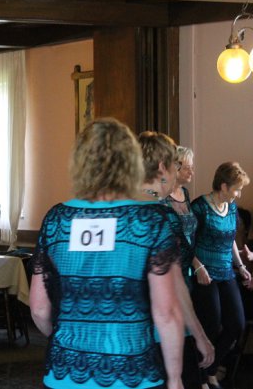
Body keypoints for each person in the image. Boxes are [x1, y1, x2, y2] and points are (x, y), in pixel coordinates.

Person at [29, 118, 184, 389]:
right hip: (132, 371)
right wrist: (175, 378)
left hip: (65, 371)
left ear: (80, 163)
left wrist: (68, 339)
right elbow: (166, 312)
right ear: (131, 163)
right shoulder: (149, 221)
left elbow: (40, 309)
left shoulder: (56, 220)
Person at [139, 135, 214, 389]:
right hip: (158, 326)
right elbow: (172, 285)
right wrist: (199, 336)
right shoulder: (160, 215)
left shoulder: (117, 207)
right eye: (177, 165)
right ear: (163, 167)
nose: (179, 171)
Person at [190, 162, 251, 389]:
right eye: (237, 189)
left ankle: (210, 368)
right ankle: (202, 378)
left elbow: (231, 239)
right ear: (224, 186)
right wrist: (198, 267)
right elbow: (186, 243)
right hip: (205, 274)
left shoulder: (232, 208)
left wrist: (240, 266)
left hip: (226, 272)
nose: (239, 194)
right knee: (211, 326)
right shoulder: (199, 207)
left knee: (237, 324)